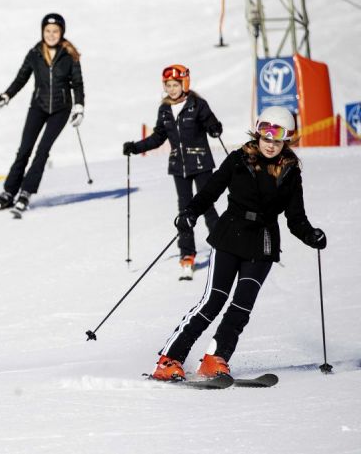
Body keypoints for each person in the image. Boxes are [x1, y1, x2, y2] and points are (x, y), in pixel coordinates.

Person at [151, 106, 327, 381]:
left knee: (242, 305)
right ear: (258, 134)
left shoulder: (290, 172)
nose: (270, 145)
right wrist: (190, 213)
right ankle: (169, 359)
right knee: (213, 301)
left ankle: (215, 358)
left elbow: (295, 218)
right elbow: (210, 191)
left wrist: (311, 234)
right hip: (230, 235)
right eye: (266, 137)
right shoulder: (238, 160)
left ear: (286, 141)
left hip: (263, 243)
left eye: (277, 140)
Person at [123, 65, 223, 280]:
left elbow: (211, 124)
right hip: (179, 166)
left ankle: (223, 248)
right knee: (185, 211)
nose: (172, 89)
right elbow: (158, 137)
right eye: (168, 85)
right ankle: (187, 256)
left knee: (207, 207)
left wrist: (215, 128)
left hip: (201, 163)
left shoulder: (197, 104)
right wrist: (135, 147)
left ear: (184, 84)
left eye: (175, 85)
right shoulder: (165, 110)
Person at [0, 12, 85, 212]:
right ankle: (9, 192)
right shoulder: (34, 53)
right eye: (48, 31)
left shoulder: (69, 55)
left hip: (61, 109)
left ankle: (26, 192)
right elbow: (21, 78)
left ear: (62, 32)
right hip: (38, 106)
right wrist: (6, 95)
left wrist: (79, 106)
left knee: (42, 151)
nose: (51, 34)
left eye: (55, 31)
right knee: (24, 149)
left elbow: (77, 83)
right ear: (42, 31)